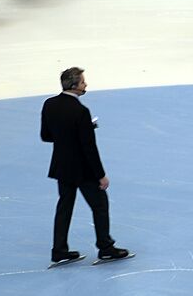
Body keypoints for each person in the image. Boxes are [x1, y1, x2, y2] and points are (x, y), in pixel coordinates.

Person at [40, 67, 129, 263]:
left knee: (64, 207)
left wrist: (69, 134)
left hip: (62, 167)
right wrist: (101, 175)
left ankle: (59, 250)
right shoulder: (80, 111)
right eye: (82, 82)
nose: (85, 85)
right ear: (74, 86)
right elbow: (89, 147)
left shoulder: (49, 104)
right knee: (100, 205)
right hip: (82, 169)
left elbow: (46, 136)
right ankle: (105, 247)